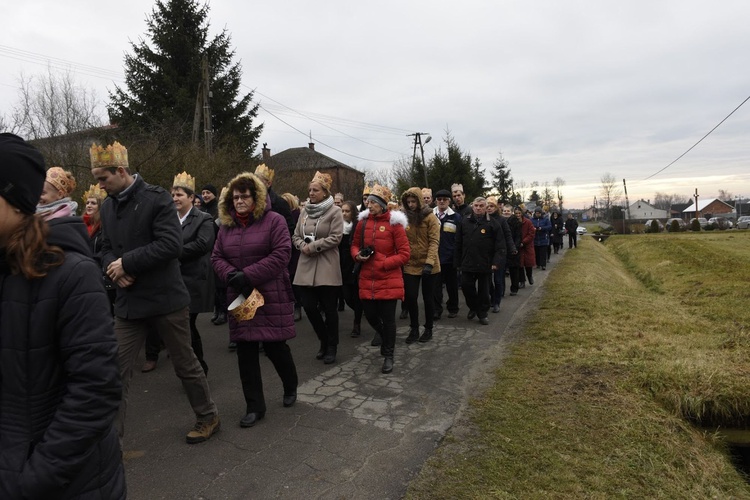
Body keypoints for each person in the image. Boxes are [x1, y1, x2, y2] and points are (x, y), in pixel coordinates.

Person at [0, 133, 125, 499]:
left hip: (57, 480)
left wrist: (30, 480)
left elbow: (95, 389)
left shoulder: (69, 274)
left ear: (17, 200)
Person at [91, 141, 220, 444]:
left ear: (120, 171)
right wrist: (112, 267)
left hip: (165, 298)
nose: (99, 184)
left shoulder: (157, 198)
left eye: (102, 178)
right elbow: (106, 248)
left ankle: (207, 416)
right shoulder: (108, 206)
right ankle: (111, 442)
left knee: (185, 364)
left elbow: (171, 245)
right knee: (115, 371)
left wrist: (127, 264)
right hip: (129, 302)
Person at [212, 172, 298, 428]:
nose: (238, 201)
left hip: (270, 293)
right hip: (240, 295)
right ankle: (254, 406)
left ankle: (290, 383)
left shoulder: (275, 221)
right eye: (235, 197)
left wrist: (248, 274)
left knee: (275, 347)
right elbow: (216, 257)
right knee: (246, 351)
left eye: (244, 196)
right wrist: (231, 275)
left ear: (256, 197)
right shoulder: (226, 226)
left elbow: (282, 253)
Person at [143, 172, 216, 375]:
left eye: (179, 195)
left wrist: (170, 251)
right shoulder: (167, 218)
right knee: (179, 327)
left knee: (186, 325)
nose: (174, 198)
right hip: (172, 278)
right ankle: (190, 365)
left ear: (192, 197)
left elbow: (202, 244)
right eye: (173, 195)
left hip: (193, 279)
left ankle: (198, 367)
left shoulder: (204, 219)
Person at [351, 184, 410, 373]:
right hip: (367, 277)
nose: (369, 204)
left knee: (388, 319)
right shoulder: (362, 223)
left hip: (389, 279)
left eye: (373, 202)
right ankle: (386, 339)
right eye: (368, 201)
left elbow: (404, 254)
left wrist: (384, 262)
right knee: (370, 315)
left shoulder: (395, 225)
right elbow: (353, 246)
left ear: (383, 205)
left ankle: (388, 355)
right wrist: (357, 256)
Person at [292, 171, 343, 364]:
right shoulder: (304, 211)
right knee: (309, 307)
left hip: (326, 264)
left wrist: (312, 246)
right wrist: (301, 246)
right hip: (306, 265)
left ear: (325, 192)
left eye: (315, 190)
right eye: (310, 190)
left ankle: (332, 346)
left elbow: (336, 237)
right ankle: (323, 339)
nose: (311, 193)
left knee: (329, 309)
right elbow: (295, 235)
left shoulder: (335, 212)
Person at [454, 197, 515, 325]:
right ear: (472, 206)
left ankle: (482, 313)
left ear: (486, 207)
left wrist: (496, 262)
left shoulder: (493, 224)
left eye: (481, 206)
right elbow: (458, 242)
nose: (478, 208)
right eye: (476, 205)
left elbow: (500, 245)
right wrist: (457, 261)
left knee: (484, 291)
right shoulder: (464, 222)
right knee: (466, 287)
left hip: (485, 262)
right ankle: (473, 307)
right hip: (467, 261)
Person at [401, 187, 441, 343]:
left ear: (418, 201)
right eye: (408, 202)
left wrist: (429, 263)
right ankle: (414, 328)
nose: (411, 205)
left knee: (428, 297)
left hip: (429, 264)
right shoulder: (404, 218)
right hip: (411, 263)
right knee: (411, 297)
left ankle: (429, 328)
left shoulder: (430, 217)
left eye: (413, 201)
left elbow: (434, 241)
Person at [82, 183, 116, 306]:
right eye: (87, 203)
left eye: (93, 203)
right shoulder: (81, 225)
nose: (89, 206)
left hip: (101, 276)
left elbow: (107, 249)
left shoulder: (105, 226)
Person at [432, 188, 461, 319]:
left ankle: (453, 308)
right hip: (434, 257)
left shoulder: (456, 217)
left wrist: (457, 256)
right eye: (439, 199)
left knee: (452, 286)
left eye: (445, 199)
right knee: (436, 286)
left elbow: (459, 239)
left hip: (450, 258)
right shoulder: (430, 216)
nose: (442, 202)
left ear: (449, 201)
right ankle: (436, 309)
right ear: (435, 201)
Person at [486, 196, 515, 312]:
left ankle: (497, 301)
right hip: (486, 253)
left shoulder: (502, 220)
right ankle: (492, 297)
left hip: (499, 253)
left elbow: (508, 235)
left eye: (491, 206)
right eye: (487, 206)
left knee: (498, 279)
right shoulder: (483, 219)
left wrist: (512, 247)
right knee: (487, 280)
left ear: (496, 207)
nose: (489, 208)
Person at [339, 200, 364, 336]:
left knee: (355, 295)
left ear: (353, 212)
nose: (344, 214)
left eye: (347, 211)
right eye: (342, 211)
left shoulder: (358, 225)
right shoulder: (339, 226)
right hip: (342, 264)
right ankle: (361, 309)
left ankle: (357, 323)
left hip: (354, 263)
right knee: (347, 296)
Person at [282, 192, 304, 322]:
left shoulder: (297, 214)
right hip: (284, 248)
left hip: (294, 249)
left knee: (294, 278)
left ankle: (297, 306)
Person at [516, 207, 536, 288]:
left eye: (519, 213)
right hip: (518, 246)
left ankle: (529, 276)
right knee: (520, 265)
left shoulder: (527, 222)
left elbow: (531, 233)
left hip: (527, 245)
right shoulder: (514, 222)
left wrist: (524, 242)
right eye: (516, 213)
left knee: (528, 264)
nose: (517, 215)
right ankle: (522, 281)